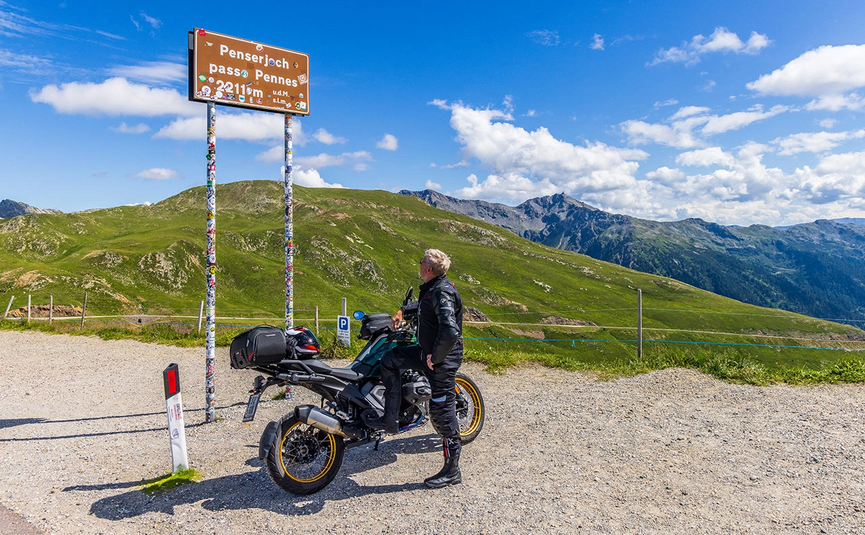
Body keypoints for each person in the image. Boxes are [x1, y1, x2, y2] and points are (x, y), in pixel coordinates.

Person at [365, 248, 465, 488]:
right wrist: (402, 311)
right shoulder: (432, 289)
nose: (419, 264)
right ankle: (390, 419)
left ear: (428, 269)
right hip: (427, 353)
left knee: (443, 416)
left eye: (421, 262)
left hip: (442, 360)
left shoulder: (442, 292)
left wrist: (436, 357)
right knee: (390, 359)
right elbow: (423, 305)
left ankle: (452, 472)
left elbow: (451, 331)